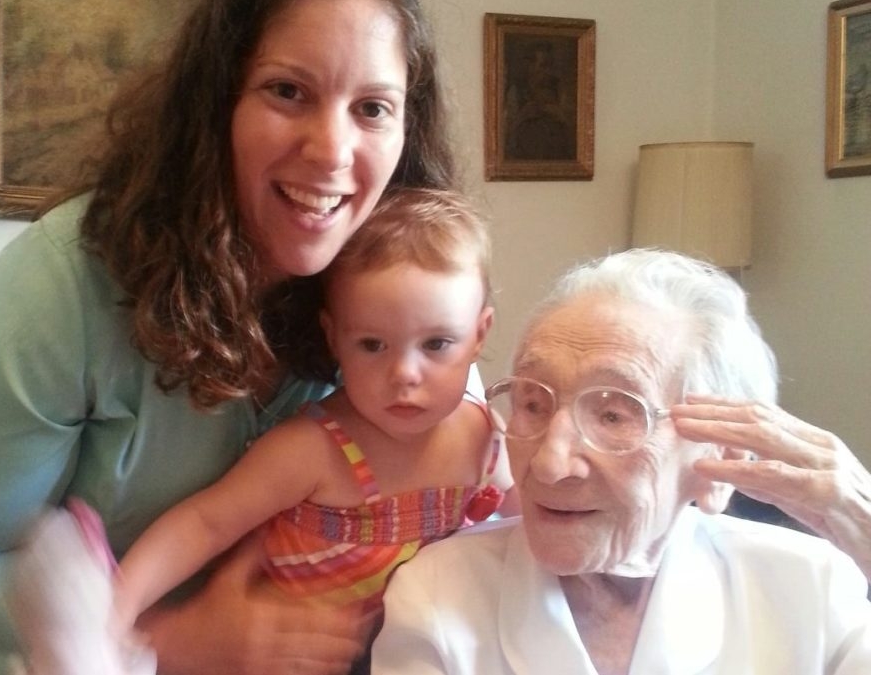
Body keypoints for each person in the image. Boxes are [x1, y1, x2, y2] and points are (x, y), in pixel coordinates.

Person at [0, 0, 463, 675]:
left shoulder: (401, 291)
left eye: (372, 108)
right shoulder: (63, 283)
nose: (332, 152)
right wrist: (170, 641)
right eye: (288, 91)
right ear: (213, 103)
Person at [6, 187, 509, 675]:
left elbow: (516, 528)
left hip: (403, 649)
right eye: (373, 345)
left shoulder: (485, 438)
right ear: (334, 337)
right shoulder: (315, 448)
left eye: (437, 344)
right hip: (278, 656)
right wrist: (116, 612)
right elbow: (206, 523)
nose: (405, 373)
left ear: (480, 333)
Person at [372, 248, 871, 674]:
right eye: (532, 403)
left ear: (720, 453)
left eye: (613, 415)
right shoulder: (441, 592)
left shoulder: (812, 587)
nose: (548, 465)